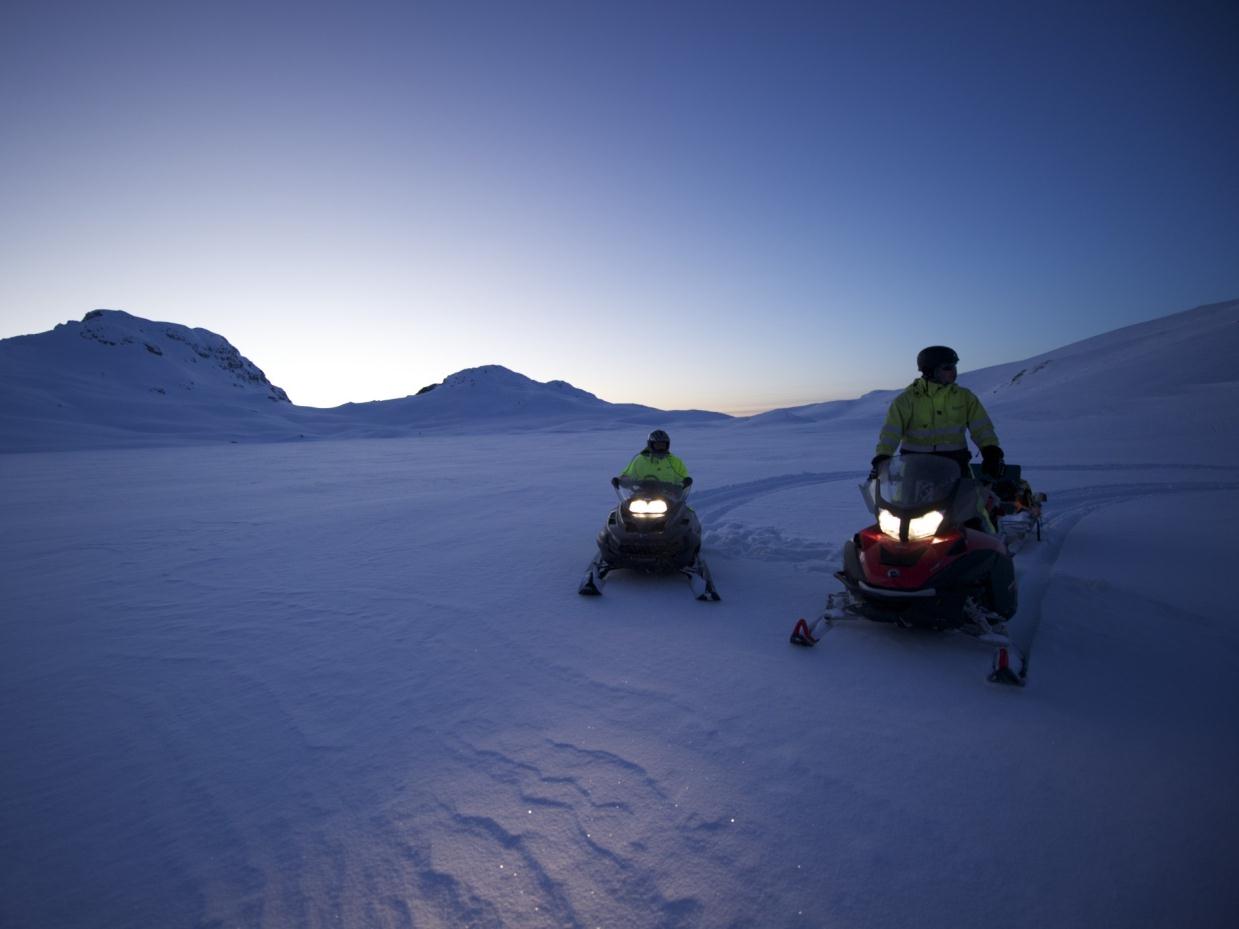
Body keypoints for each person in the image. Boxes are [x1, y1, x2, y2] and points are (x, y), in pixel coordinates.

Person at [870, 346, 1004, 528]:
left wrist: (990, 450)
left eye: (954, 367)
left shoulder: (965, 398)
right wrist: (883, 457)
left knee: (970, 513)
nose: (953, 372)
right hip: (915, 468)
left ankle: (987, 545)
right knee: (902, 516)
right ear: (930, 371)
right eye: (947, 367)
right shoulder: (907, 400)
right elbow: (891, 432)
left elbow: (982, 427)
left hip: (955, 465)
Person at [620, 429, 692, 485]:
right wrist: (621, 480)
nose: (661, 448)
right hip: (642, 496)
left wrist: (685, 482)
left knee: (685, 505)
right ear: (650, 445)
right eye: (658, 445)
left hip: (669, 497)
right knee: (623, 504)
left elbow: (683, 478)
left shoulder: (675, 461)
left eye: (663, 445)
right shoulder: (640, 460)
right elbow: (628, 475)